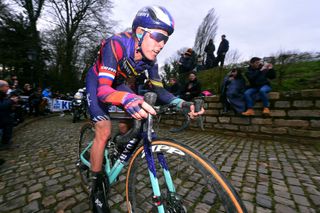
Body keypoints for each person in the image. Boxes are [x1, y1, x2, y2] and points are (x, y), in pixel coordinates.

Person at [85, 6, 204, 212]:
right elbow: (104, 91)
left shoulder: (152, 61)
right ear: (140, 32)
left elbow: (161, 92)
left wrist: (182, 104)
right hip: (98, 81)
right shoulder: (117, 44)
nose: (161, 45)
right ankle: (96, 188)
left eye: (165, 40)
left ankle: (121, 146)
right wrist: (128, 98)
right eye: (157, 37)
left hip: (119, 82)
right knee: (103, 130)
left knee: (129, 122)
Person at [0, 80, 18, 150]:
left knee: (8, 128)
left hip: (6, 116)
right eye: (7, 86)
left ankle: (6, 143)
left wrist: (13, 105)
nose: (8, 87)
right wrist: (11, 101)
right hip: (2, 117)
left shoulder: (4, 94)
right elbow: (1, 105)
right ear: (1, 87)